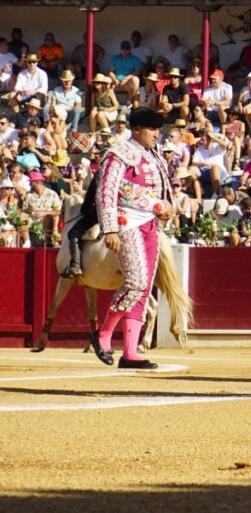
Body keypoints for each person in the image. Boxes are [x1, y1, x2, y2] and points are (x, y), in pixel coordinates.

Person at [89, 108, 175, 370]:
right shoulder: (118, 153)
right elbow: (106, 191)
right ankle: (103, 334)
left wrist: (167, 208)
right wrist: (110, 228)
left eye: (158, 130)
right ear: (136, 129)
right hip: (127, 223)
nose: (156, 135)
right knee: (136, 282)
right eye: (152, 130)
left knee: (144, 288)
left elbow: (163, 188)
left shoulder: (154, 155)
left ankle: (130, 352)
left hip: (149, 224)